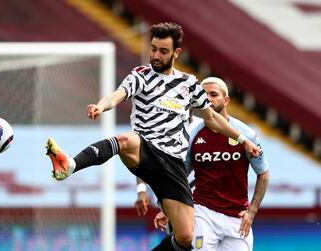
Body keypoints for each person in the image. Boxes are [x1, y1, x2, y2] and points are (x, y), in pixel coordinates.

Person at [45, 22, 261, 251]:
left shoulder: (189, 84)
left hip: (173, 165)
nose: (156, 55)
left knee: (186, 238)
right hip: (145, 150)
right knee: (125, 140)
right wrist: (101, 105)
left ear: (176, 53)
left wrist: (242, 139)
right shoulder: (140, 76)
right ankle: (70, 164)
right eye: (154, 49)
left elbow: (212, 118)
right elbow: (118, 95)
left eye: (163, 51)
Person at [143, 77, 269, 251]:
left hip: (237, 217)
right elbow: (181, 175)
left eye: (213, 94)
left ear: (226, 100)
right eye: (204, 94)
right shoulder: (191, 135)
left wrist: (252, 211)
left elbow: (263, 173)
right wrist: (168, 210)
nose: (208, 98)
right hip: (203, 213)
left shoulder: (246, 135)